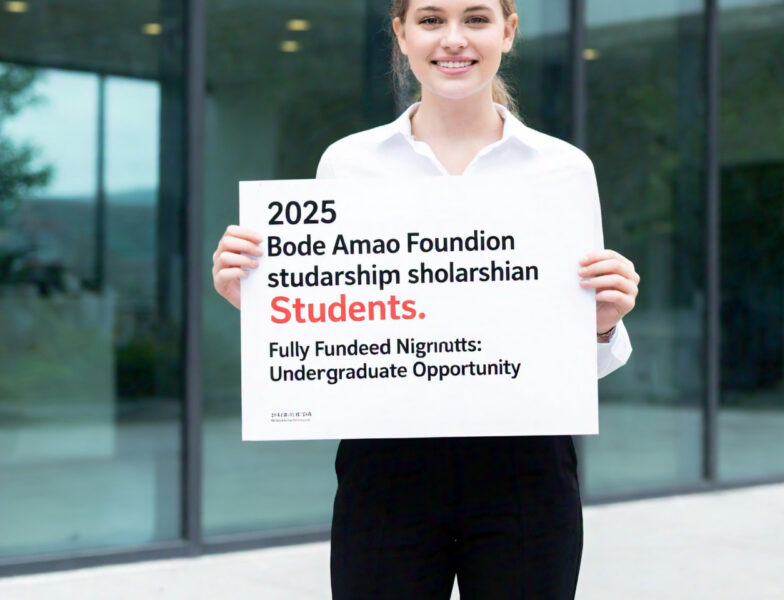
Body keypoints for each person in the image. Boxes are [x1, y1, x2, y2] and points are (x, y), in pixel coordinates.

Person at [212, 0, 639, 597]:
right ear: (402, 35)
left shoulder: (563, 170)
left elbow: (569, 366)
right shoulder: (348, 164)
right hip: (387, 463)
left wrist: (601, 323)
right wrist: (265, 302)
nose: (453, 39)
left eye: (477, 19)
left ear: (509, 32)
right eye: (432, 20)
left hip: (525, 461)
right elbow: (339, 321)